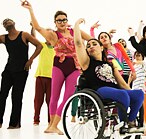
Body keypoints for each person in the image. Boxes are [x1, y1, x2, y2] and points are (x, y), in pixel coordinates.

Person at [22, 1, 92, 135]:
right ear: (55, 22)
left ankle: (54, 125)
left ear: (67, 20)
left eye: (64, 19)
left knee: (67, 97)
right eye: (59, 20)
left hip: (74, 67)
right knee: (54, 96)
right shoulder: (53, 35)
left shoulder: (74, 31)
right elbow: (37, 27)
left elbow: (92, 40)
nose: (62, 22)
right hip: (59, 65)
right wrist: (30, 10)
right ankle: (51, 125)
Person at [73, 18, 144, 131]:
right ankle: (124, 124)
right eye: (88, 45)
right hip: (98, 90)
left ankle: (130, 121)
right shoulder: (86, 62)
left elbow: (122, 83)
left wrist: (131, 93)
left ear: (101, 47)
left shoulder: (110, 64)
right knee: (123, 95)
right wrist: (76, 24)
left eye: (94, 44)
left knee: (139, 94)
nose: (91, 46)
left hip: (115, 90)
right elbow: (78, 43)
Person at [0, 14, 42, 129]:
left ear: (14, 23)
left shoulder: (24, 35)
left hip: (22, 71)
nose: (7, 22)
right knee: (2, 95)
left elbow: (39, 46)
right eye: (4, 22)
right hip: (8, 71)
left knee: (16, 96)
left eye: (8, 20)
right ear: (4, 27)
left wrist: (30, 60)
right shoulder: (3, 38)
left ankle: (14, 123)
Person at [30, 22, 55, 126]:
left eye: (51, 34)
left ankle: (51, 120)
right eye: (46, 33)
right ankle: (36, 119)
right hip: (40, 76)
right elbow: (32, 37)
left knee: (50, 100)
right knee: (38, 99)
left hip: (52, 77)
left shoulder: (57, 48)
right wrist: (33, 27)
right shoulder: (41, 45)